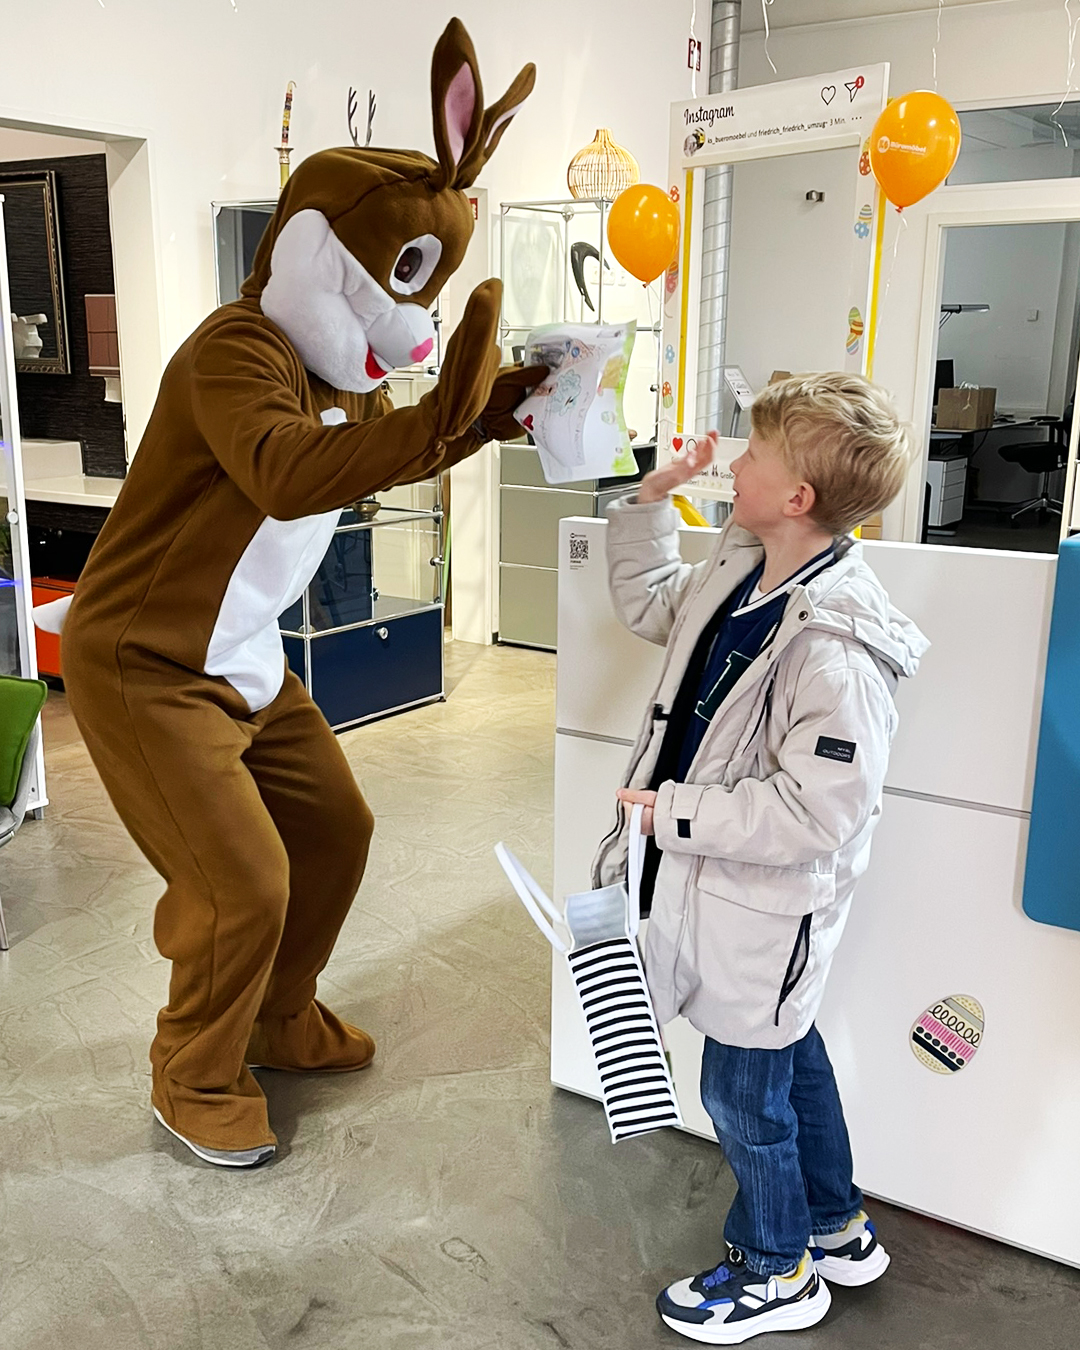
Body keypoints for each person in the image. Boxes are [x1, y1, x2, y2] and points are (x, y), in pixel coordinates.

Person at [596, 372, 928, 1343]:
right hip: (718, 892)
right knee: (791, 1053)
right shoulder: (745, 571)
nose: (734, 464)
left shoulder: (838, 649)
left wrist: (673, 812)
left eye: (756, 455)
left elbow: (818, 813)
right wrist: (653, 499)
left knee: (742, 1095)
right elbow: (652, 604)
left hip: (764, 913)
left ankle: (775, 1267)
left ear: (798, 497)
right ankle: (835, 1225)